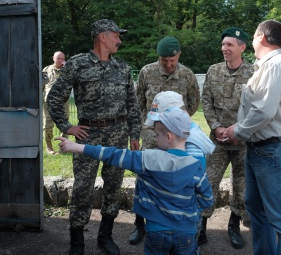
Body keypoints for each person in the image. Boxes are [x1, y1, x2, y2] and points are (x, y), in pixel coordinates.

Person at [55, 107, 214, 255]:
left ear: (168, 137)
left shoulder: (147, 159)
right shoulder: (196, 167)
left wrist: (76, 147)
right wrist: (188, 210)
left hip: (156, 232)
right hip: (186, 234)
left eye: (157, 134)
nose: (155, 138)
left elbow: (113, 155)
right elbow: (207, 200)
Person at [47, 19, 141, 255]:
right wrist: (68, 127)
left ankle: (105, 237)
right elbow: (54, 98)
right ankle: (77, 242)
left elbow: (132, 104)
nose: (120, 40)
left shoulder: (122, 68)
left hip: (118, 135)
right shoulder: (78, 64)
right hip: (88, 135)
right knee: (82, 189)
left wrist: (134, 134)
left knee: (113, 186)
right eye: (116, 35)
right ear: (102, 37)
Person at [223, 19, 281, 254]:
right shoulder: (267, 65)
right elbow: (259, 109)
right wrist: (239, 127)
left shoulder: (275, 64)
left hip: (272, 150)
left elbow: (264, 111)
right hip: (260, 149)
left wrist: (237, 131)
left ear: (262, 38)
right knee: (257, 211)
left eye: (254, 37)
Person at [131, 36, 201, 245]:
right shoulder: (146, 72)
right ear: (158, 58)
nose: (169, 65)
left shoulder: (187, 74)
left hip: (177, 138)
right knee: (145, 178)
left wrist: (176, 125)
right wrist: (139, 132)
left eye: (172, 60)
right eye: (164, 61)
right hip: (151, 137)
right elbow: (138, 103)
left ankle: (171, 224)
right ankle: (139, 224)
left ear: (179, 55)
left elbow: (193, 103)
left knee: (175, 179)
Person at [201, 27, 253, 249]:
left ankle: (233, 226)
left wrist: (238, 129)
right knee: (207, 182)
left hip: (243, 142)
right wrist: (216, 127)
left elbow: (257, 107)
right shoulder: (213, 71)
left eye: (229, 45)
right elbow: (206, 102)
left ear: (242, 47)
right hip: (218, 140)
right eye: (223, 44)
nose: (224, 48)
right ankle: (200, 226)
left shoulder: (254, 72)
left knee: (241, 185)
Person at [42, 51, 69, 155]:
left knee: (64, 123)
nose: (61, 60)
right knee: (47, 125)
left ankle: (63, 147)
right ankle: (49, 147)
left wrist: (67, 69)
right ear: (53, 58)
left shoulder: (67, 70)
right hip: (48, 102)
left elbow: (73, 81)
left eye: (62, 58)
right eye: (58, 58)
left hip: (63, 102)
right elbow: (42, 86)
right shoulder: (46, 70)